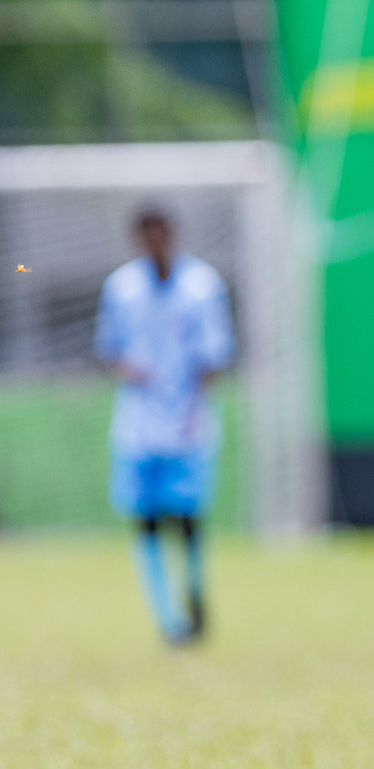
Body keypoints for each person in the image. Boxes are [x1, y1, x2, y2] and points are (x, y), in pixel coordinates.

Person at [95, 207, 234, 645]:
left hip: (188, 422)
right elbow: (109, 351)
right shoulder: (120, 288)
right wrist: (128, 370)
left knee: (189, 518)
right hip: (138, 426)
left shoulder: (201, 285)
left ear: (172, 234)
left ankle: (194, 593)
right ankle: (168, 618)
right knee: (146, 521)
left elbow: (216, 355)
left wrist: (192, 399)